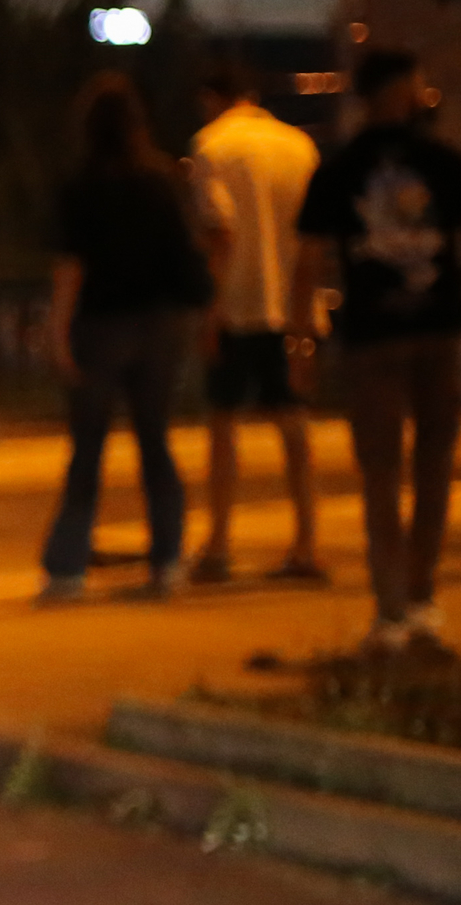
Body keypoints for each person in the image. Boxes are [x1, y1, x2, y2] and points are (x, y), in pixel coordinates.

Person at [298, 46, 461, 650]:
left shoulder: (340, 168)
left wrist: (301, 337)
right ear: (402, 88)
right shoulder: (442, 162)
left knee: (381, 469)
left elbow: (309, 259)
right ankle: (419, 596)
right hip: (437, 329)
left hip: (372, 337)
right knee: (434, 463)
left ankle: (391, 603)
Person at [38, 72, 216, 603]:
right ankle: (167, 560)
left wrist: (58, 331)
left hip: (102, 324)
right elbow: (186, 251)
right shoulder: (161, 182)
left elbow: (71, 267)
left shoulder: (80, 187)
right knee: (155, 440)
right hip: (161, 323)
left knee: (88, 447)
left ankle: (67, 569)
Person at [187, 62, 326, 586]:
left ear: (212, 97)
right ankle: (306, 543)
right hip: (291, 305)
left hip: (238, 304)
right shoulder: (299, 147)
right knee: (294, 423)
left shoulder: (211, 146)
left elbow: (219, 233)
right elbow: (313, 240)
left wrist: (209, 310)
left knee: (224, 424)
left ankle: (219, 543)